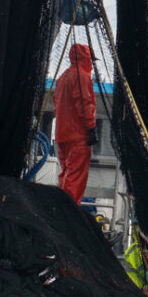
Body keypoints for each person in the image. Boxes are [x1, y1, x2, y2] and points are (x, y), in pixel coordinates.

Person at [52, 43, 97, 203]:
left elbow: (56, 105)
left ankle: (61, 209)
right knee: (75, 179)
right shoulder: (81, 76)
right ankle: (67, 215)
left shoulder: (62, 78)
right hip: (78, 136)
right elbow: (84, 104)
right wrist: (91, 127)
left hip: (62, 135)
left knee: (65, 175)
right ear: (86, 59)